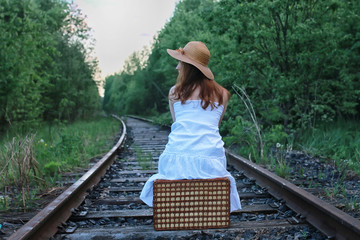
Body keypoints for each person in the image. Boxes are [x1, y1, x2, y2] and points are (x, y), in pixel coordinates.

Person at [140, 41, 241, 212]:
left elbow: (177, 127)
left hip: (175, 160)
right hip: (211, 163)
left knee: (177, 150)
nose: (177, 67)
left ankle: (180, 206)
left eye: (180, 62)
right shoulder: (223, 94)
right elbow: (213, 128)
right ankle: (206, 207)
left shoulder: (174, 92)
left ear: (188, 67)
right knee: (209, 149)